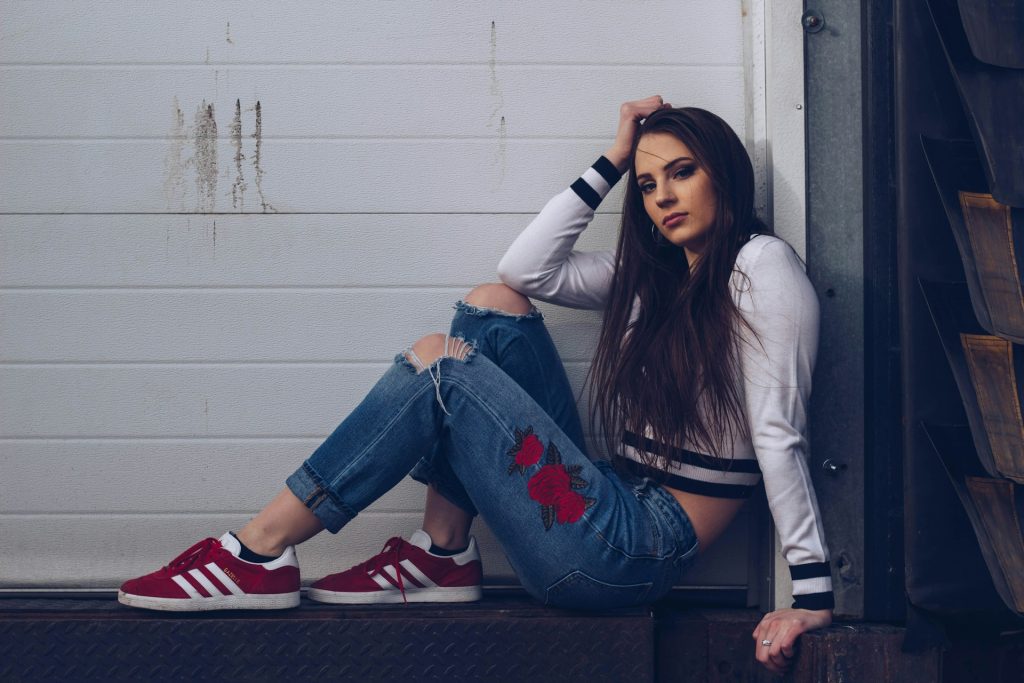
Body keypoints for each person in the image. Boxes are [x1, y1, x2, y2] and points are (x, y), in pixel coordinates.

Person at [118, 96, 832, 675]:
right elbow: (527, 270)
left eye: (681, 172)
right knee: (492, 306)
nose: (662, 197)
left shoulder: (760, 268)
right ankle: (443, 551)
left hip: (632, 552)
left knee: (444, 366)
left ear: (724, 175)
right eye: (647, 184)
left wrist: (813, 598)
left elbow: (779, 434)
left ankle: (259, 550)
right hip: (611, 500)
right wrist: (612, 159)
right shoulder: (662, 279)